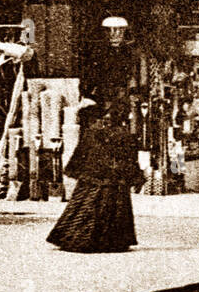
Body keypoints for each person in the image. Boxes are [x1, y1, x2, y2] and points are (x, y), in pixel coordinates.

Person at [47, 100, 143, 253]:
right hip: (115, 177)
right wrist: (135, 177)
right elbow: (131, 158)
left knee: (84, 206)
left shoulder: (92, 132)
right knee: (115, 208)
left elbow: (81, 153)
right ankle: (112, 242)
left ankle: (77, 237)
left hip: (93, 175)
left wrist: (74, 169)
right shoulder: (126, 135)